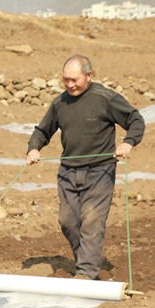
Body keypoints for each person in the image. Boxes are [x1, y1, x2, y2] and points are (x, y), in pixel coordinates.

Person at [26, 54, 145, 280]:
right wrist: (34, 148)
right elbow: (42, 131)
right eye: (65, 80)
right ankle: (87, 262)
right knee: (68, 221)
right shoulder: (60, 103)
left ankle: (86, 273)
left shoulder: (105, 98)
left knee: (91, 220)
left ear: (89, 76)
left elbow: (135, 120)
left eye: (75, 80)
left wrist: (128, 142)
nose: (70, 85)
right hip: (68, 172)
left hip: (100, 171)